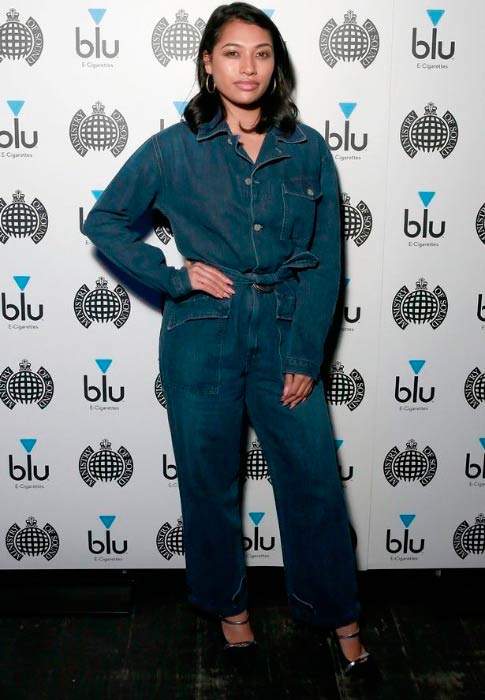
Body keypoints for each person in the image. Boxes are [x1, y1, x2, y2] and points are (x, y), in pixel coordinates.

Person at [83, 1, 379, 684]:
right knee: (208, 484)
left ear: (275, 65)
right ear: (209, 64)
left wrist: (306, 354)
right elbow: (107, 221)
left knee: (311, 483)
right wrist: (173, 275)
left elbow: (324, 260)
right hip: (202, 338)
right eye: (232, 53)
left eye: (262, 53)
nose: (248, 67)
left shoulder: (305, 148)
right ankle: (230, 615)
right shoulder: (174, 148)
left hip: (283, 335)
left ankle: (340, 619)